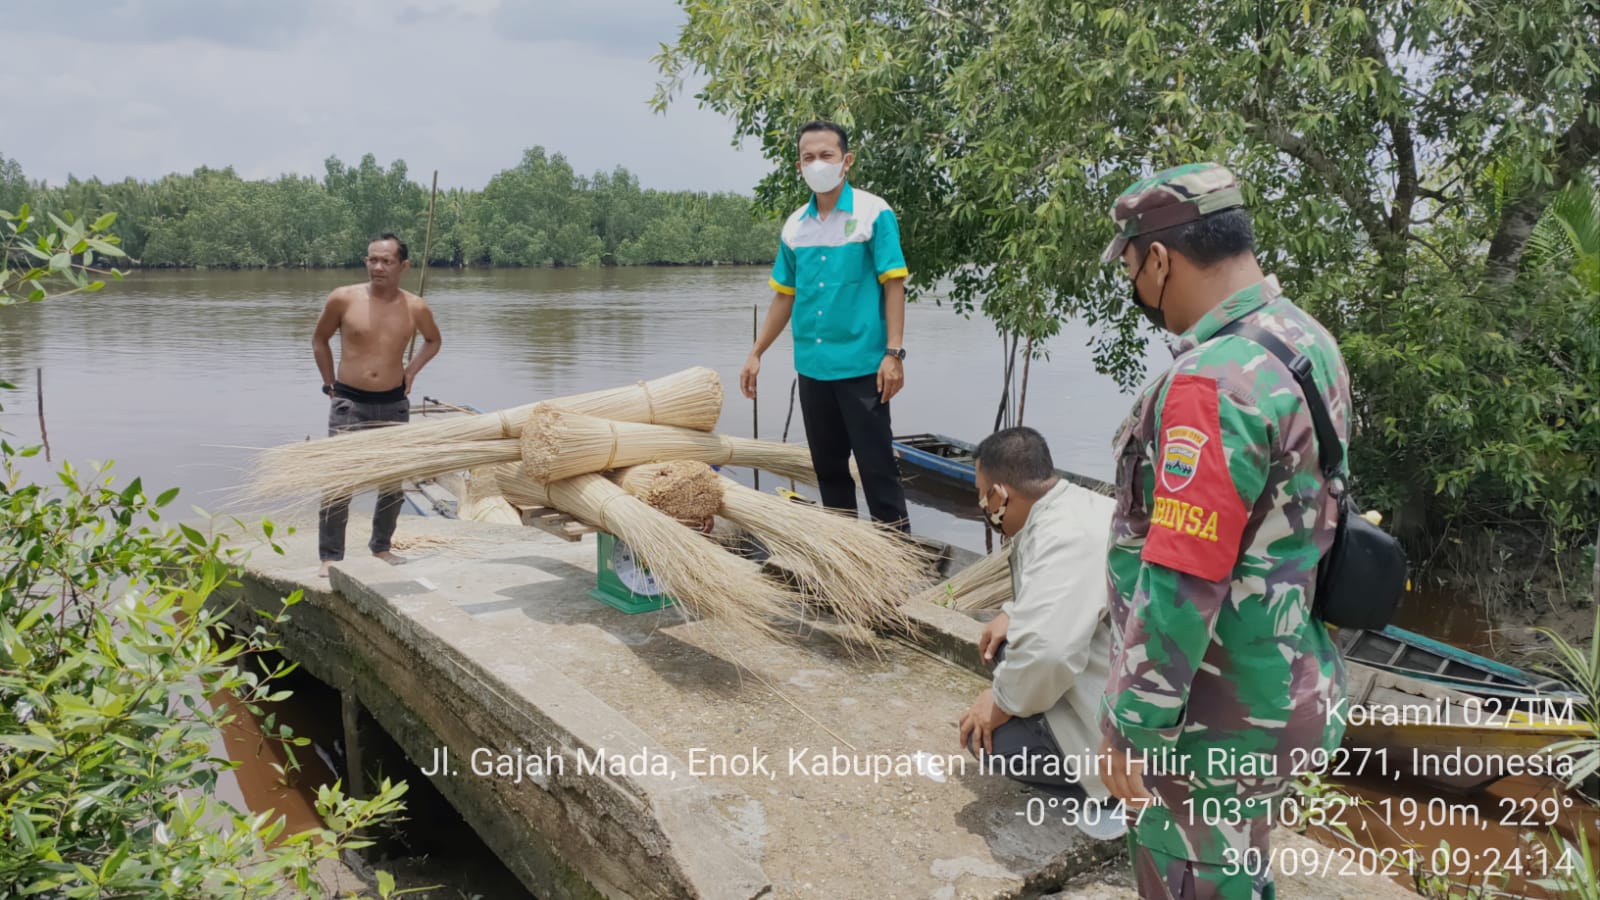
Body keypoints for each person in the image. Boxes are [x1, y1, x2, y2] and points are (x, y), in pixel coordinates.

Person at [1095, 163, 1349, 899]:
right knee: (1237, 868)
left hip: (1213, 718)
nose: (1138, 290)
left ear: (1161, 259)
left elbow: (1184, 571)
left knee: (1195, 878)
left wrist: (1129, 725)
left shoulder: (1216, 380)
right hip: (1282, 672)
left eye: (1134, 269)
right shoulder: (1303, 338)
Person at [956, 427, 1126, 841]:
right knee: (1004, 645)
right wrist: (1013, 612)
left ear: (1000, 493)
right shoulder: (1084, 506)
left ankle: (1107, 789)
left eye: (983, 494)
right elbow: (1068, 591)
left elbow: (1050, 651)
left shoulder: (1062, 536)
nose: (984, 505)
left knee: (988, 742)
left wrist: (997, 702)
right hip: (1132, 674)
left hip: (1122, 724)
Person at [739, 120, 911, 531]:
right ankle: (845, 561)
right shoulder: (795, 226)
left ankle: (901, 565)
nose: (818, 163)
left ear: (846, 161)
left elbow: (895, 284)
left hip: (864, 367)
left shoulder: (874, 213)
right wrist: (756, 352)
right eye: (809, 157)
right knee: (829, 473)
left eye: (826, 155)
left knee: (877, 470)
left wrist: (894, 353)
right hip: (813, 368)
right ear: (799, 166)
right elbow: (785, 295)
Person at [311, 233, 442, 578]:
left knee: (391, 483)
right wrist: (328, 384)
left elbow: (433, 341)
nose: (378, 267)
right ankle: (330, 556)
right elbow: (319, 338)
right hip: (350, 401)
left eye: (386, 261)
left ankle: (381, 547)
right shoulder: (343, 298)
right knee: (340, 481)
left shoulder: (415, 306)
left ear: (403, 266)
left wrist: (411, 371)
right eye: (372, 259)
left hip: (393, 402)